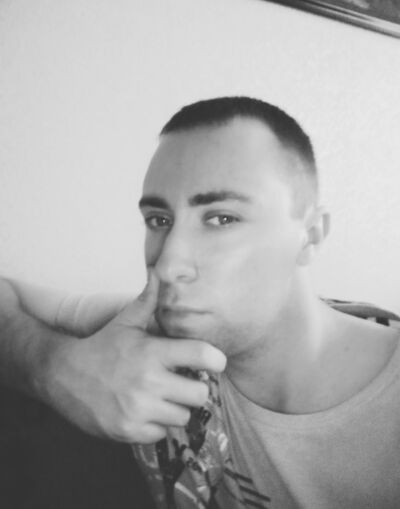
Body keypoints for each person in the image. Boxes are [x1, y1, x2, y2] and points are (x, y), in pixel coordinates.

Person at [1, 96, 400, 508]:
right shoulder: (144, 338)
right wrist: (54, 369)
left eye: (221, 218)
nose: (168, 264)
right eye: (159, 220)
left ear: (311, 234)